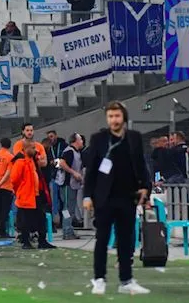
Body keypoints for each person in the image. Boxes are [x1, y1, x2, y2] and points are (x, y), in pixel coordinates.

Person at [83, 101, 151, 295]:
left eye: (117, 116)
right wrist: (88, 195)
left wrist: (146, 188)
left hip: (128, 196)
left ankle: (126, 280)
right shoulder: (99, 139)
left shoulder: (134, 138)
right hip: (104, 197)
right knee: (102, 239)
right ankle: (99, 279)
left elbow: (141, 165)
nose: (114, 120)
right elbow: (92, 170)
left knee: (126, 241)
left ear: (124, 118)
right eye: (111, 116)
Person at [10, 141, 55, 249]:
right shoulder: (20, 162)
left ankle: (42, 241)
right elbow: (14, 179)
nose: (35, 150)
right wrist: (20, 191)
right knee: (26, 220)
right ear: (25, 149)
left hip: (36, 195)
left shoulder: (32, 161)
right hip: (26, 196)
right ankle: (26, 242)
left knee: (41, 218)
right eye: (33, 148)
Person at [56, 133, 85, 240]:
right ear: (75, 141)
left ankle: (69, 229)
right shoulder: (69, 151)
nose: (82, 141)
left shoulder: (77, 152)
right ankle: (67, 231)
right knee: (67, 209)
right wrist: (74, 173)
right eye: (80, 139)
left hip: (74, 185)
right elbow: (62, 163)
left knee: (71, 209)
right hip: (68, 184)